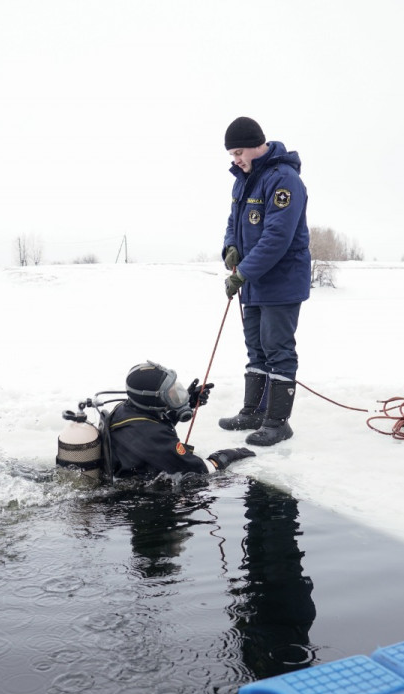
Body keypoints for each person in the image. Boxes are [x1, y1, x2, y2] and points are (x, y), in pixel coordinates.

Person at [218, 116, 311, 447]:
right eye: (231, 155)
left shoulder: (284, 180)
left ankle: (277, 422)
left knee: (277, 348)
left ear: (257, 145)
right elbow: (234, 222)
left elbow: (276, 237)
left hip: (281, 281)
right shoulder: (243, 181)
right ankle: (253, 412)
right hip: (255, 283)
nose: (236, 160)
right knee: (256, 347)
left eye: (239, 152)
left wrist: (244, 272)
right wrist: (230, 248)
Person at [107, 361, 255, 479]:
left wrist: (188, 403)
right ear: (153, 399)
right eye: (170, 393)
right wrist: (225, 456)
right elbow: (198, 469)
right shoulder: (151, 434)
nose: (176, 394)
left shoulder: (127, 410)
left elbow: (152, 428)